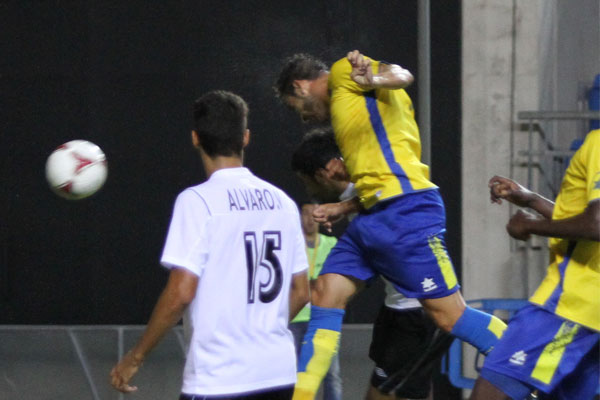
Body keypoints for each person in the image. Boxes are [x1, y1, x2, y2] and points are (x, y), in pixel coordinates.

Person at [275, 50, 507, 399]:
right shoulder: (354, 108)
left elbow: (401, 73)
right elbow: (380, 177)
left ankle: (534, 367)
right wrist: (345, 206)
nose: (306, 118)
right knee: (324, 294)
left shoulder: (343, 73)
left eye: (297, 107)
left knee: (449, 317)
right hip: (376, 213)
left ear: (300, 86)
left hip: (406, 212)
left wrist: (375, 78)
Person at [109, 90, 310, 400]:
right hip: (277, 372)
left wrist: (135, 357)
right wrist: (258, 333)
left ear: (195, 138)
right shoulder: (283, 202)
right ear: (245, 137)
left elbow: (181, 292)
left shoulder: (197, 202)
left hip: (221, 377)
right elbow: (301, 291)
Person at [291, 128, 453, 400]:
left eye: (307, 181)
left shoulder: (379, 194)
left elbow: (385, 208)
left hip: (418, 313)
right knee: (404, 392)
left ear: (323, 173)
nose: (309, 190)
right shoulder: (360, 201)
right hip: (396, 311)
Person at [469, 129, 600, 400]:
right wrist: (534, 201)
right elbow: (582, 219)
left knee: (491, 391)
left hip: (568, 306)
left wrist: (529, 225)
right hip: (591, 315)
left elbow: (597, 224)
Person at [289, 201, 342, 400]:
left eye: (314, 214)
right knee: (293, 372)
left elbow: (337, 277)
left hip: (323, 317)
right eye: (305, 214)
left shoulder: (331, 243)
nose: (309, 219)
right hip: (296, 316)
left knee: (331, 374)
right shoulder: (292, 245)